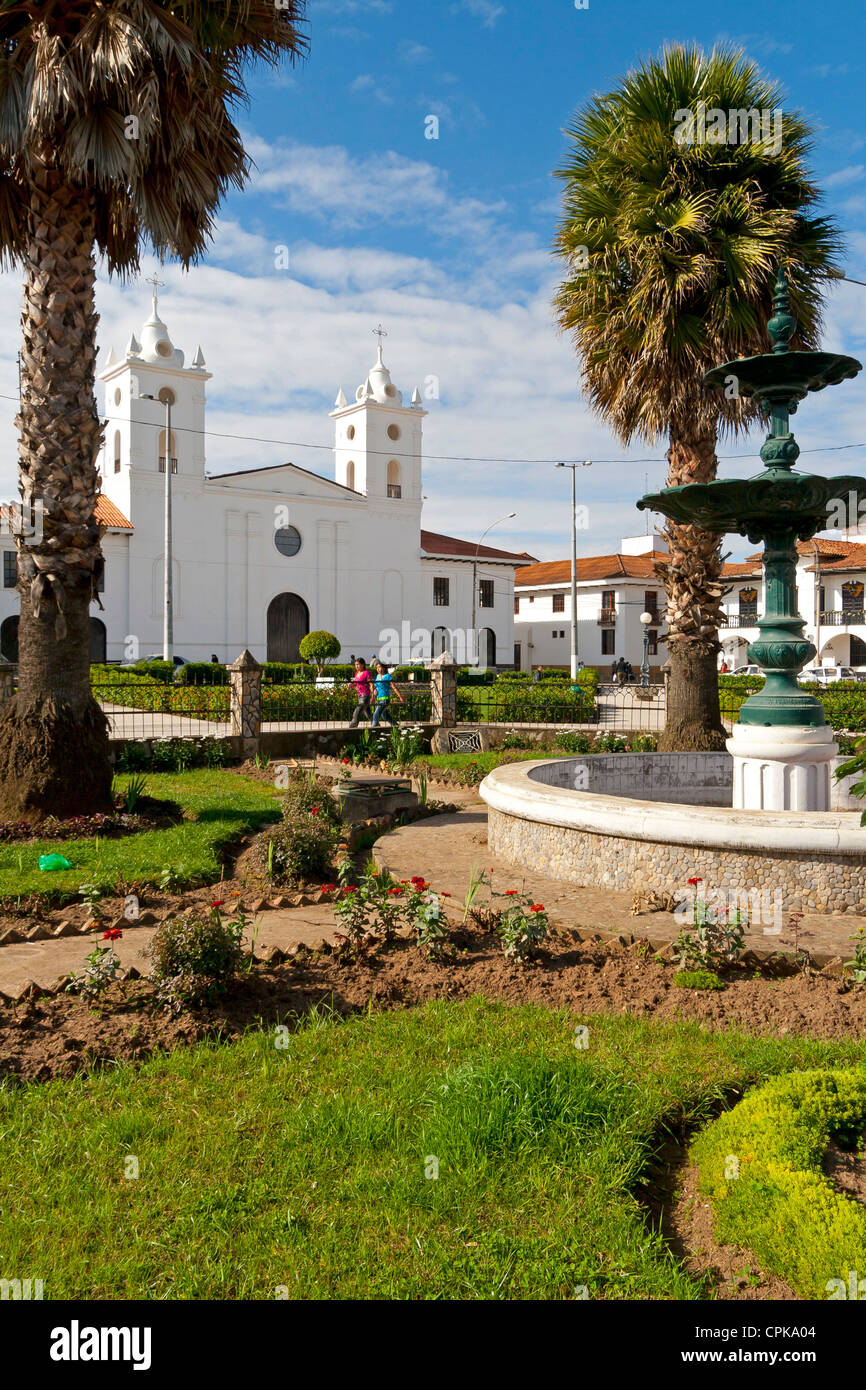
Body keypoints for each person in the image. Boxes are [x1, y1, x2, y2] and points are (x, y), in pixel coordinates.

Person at [372, 661, 405, 727]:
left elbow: (394, 687)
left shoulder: (388, 676)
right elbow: (375, 686)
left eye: (379, 667)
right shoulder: (378, 676)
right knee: (385, 716)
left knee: (376, 715)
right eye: (377, 667)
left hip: (385, 699)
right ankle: (396, 726)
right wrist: (374, 691)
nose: (378, 669)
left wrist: (400, 697)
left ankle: (373, 728)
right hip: (379, 699)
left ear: (384, 668)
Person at [348, 658, 373, 726]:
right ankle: (375, 724)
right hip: (359, 695)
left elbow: (371, 684)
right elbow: (356, 683)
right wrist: (351, 685)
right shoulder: (357, 673)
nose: (356, 666)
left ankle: (353, 724)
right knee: (367, 712)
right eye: (355, 664)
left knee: (358, 709)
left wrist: (372, 694)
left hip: (365, 695)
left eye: (358, 664)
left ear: (362, 665)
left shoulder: (367, 673)